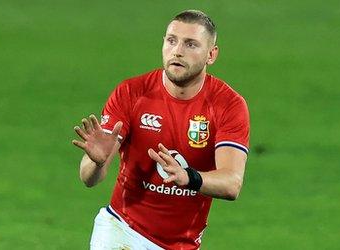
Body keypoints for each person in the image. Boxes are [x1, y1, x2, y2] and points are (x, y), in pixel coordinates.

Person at [72, 10, 250, 249]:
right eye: (171, 40)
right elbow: (88, 178)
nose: (177, 51)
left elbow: (231, 184)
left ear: (211, 55)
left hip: (181, 243)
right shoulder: (132, 93)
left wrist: (190, 178)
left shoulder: (228, 105)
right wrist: (97, 162)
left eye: (191, 44)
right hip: (121, 228)